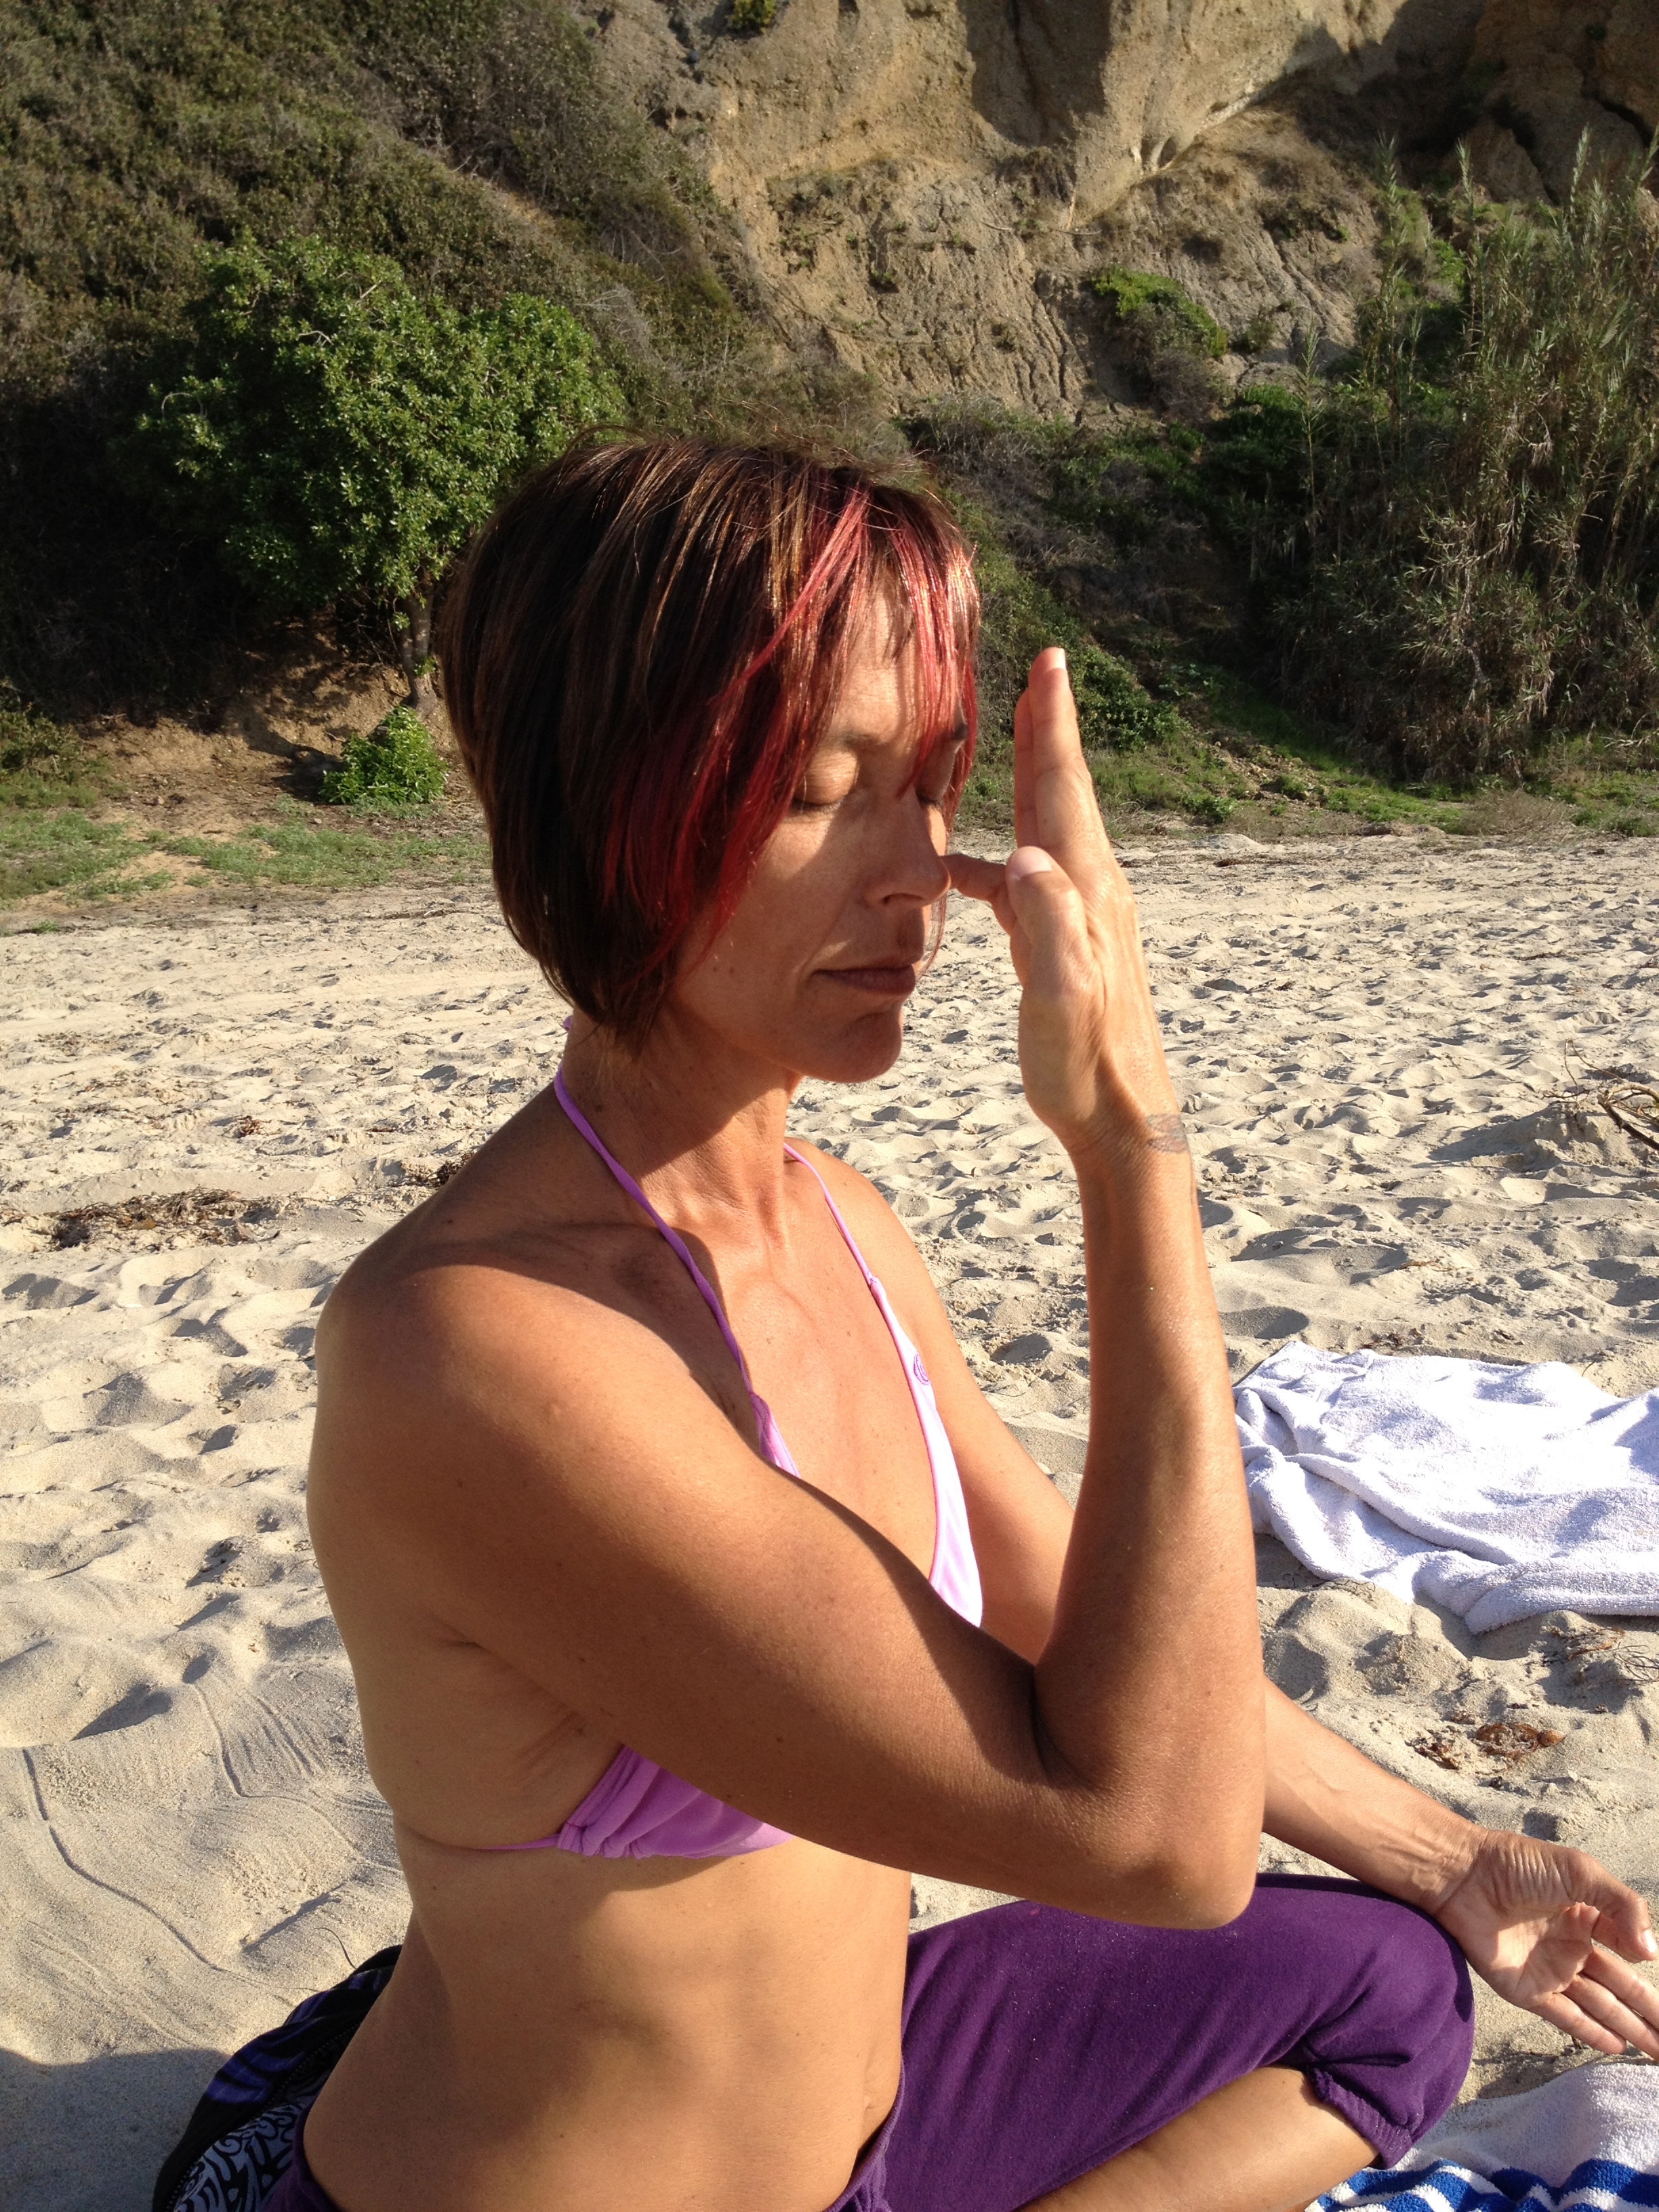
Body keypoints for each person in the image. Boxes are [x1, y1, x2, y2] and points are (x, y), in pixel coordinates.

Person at [157, 442, 1659, 2212]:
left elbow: (1082, 1637)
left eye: (933, 786)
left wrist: (1454, 1853)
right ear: (603, 807)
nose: (918, 876)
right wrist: (1131, 1143)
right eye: (819, 792)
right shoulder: (483, 1349)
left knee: (1392, 1978)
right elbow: (1154, 1841)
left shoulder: (844, 1224)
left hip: (878, 2129)